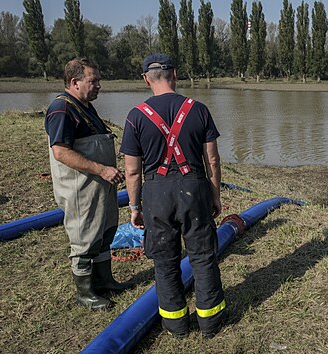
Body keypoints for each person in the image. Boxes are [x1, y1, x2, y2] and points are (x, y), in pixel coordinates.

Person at [120, 53, 226, 339]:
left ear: (145, 79)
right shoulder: (199, 109)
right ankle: (211, 323)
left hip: (157, 194)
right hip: (194, 189)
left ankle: (177, 326)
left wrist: (134, 206)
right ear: (175, 74)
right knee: (203, 257)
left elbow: (132, 171)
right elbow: (212, 160)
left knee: (165, 262)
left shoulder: (135, 116)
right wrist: (215, 195)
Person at [45, 58, 131, 311]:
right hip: (81, 187)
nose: (99, 86)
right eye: (93, 81)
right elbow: (60, 152)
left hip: (100, 185)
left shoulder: (83, 106)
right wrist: (102, 169)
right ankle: (84, 293)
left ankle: (105, 280)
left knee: (105, 231)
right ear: (75, 82)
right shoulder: (61, 109)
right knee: (84, 236)